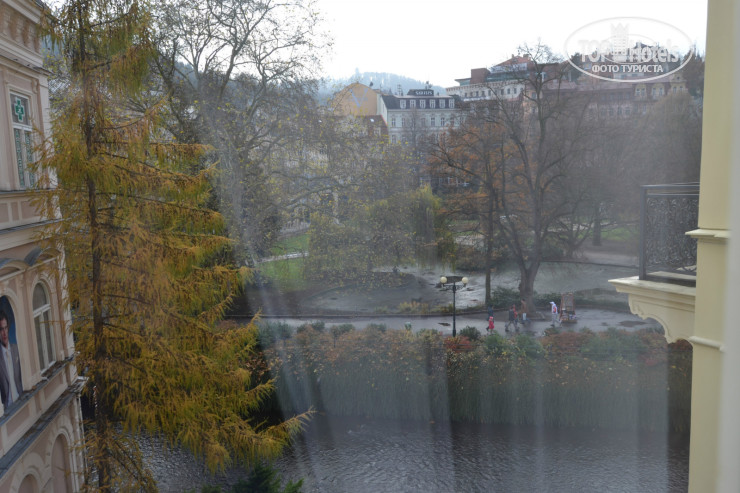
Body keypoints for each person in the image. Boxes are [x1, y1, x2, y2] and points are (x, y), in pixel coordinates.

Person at [0, 311, 22, 409]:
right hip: (7, 408)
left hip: (21, 401)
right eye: (1, 329)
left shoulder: (16, 350)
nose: (4, 333)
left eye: (5, 328)